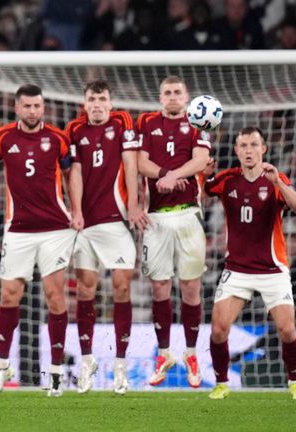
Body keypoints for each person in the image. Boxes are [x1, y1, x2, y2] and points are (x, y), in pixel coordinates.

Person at [0, 84, 75, 397]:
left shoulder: (58, 138)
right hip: (18, 228)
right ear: (17, 108)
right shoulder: (3, 137)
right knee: (9, 295)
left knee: (55, 295)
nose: (33, 111)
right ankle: (1, 365)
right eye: (27, 106)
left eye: (37, 106)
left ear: (43, 108)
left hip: (55, 228)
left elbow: (72, 172)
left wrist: (76, 209)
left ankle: (57, 372)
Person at [204, 126, 296, 400]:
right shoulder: (227, 179)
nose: (249, 150)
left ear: (264, 149)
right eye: (243, 145)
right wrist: (202, 173)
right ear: (236, 150)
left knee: (287, 330)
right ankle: (221, 384)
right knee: (218, 330)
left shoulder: (275, 179)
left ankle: (295, 382)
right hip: (236, 269)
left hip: (273, 269)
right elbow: (201, 192)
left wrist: (279, 184)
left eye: (254, 145)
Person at [66, 80, 149, 395]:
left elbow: (130, 163)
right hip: (86, 224)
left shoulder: (123, 122)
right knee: (86, 290)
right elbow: (73, 172)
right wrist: (76, 211)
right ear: (85, 103)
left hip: (116, 221)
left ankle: (120, 364)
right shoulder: (74, 129)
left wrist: (133, 205)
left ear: (110, 103)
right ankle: (87, 361)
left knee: (122, 287)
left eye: (102, 99)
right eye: (92, 99)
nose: (97, 104)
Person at [136, 75, 210, 388]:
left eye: (178, 92)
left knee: (190, 289)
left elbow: (202, 161)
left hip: (189, 213)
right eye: (167, 92)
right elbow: (140, 161)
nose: (172, 97)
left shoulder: (198, 124)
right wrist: (166, 175)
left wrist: (173, 176)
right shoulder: (146, 122)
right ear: (160, 97)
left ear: (187, 96)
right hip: (155, 217)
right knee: (159, 288)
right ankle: (164, 353)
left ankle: (192, 354)